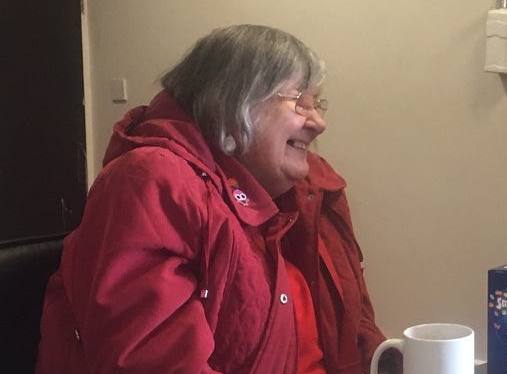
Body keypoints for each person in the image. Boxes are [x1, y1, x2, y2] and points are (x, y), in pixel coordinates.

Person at [37, 25, 393, 374]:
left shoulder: (310, 188)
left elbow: (354, 326)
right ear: (235, 103)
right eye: (299, 102)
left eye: (318, 104)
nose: (318, 123)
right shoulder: (153, 183)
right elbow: (152, 362)